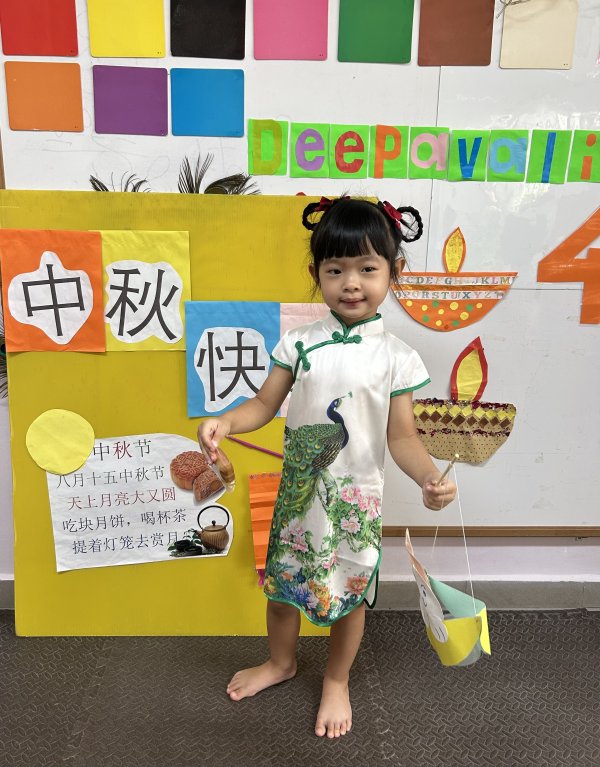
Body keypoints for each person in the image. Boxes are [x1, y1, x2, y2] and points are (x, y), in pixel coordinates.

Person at [198, 196, 457, 739]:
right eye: (335, 270)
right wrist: (226, 421)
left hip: (354, 503)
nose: (351, 283)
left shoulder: (397, 357)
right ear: (317, 273)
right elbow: (263, 405)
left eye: (367, 269)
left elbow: (402, 437)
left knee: (349, 593)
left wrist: (430, 478)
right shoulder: (299, 344)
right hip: (299, 495)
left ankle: (337, 679)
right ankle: (281, 662)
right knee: (281, 588)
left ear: (394, 272)